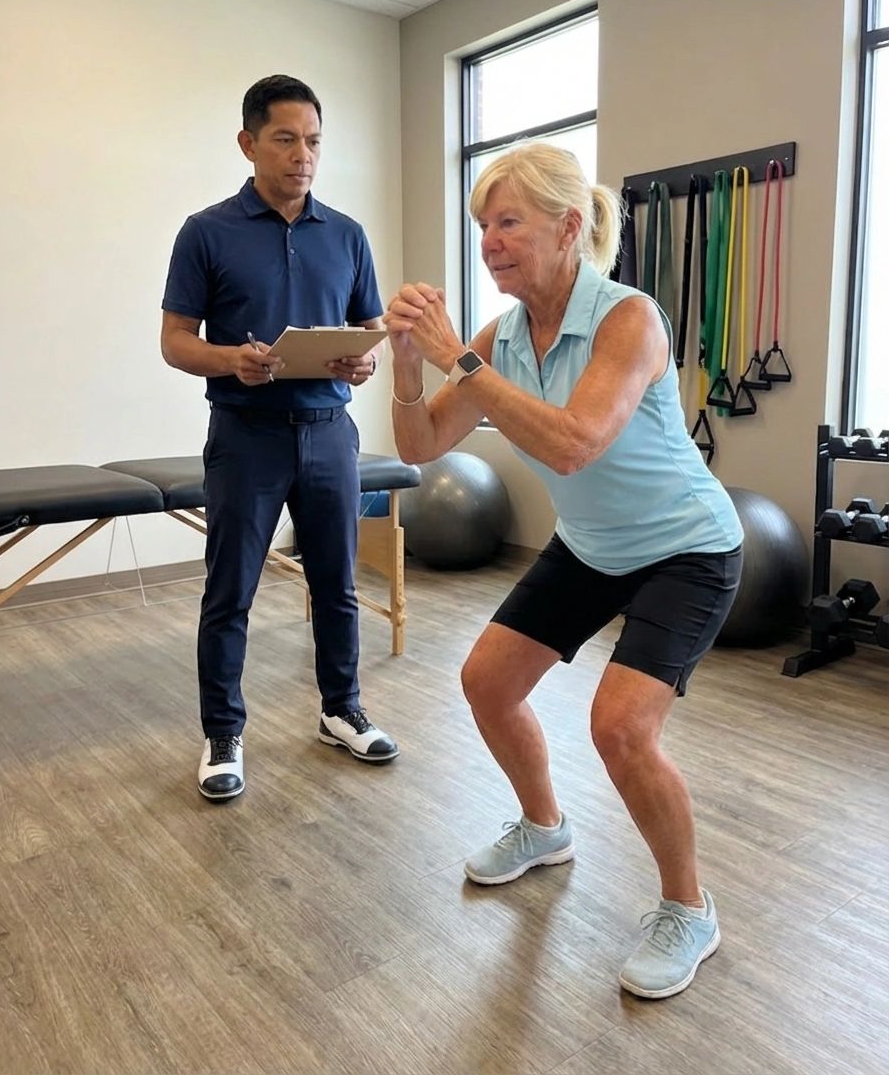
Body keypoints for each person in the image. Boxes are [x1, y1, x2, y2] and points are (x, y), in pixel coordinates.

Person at [383, 142, 742, 999]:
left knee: (620, 728)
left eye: (507, 222)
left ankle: (689, 908)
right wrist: (404, 360)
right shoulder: (503, 334)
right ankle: (545, 826)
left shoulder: (629, 319)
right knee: (486, 683)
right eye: (482, 226)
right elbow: (421, 444)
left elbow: (576, 444)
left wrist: (457, 363)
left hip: (687, 549)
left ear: (569, 226)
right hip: (592, 546)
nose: (489, 241)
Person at [161, 74, 399, 801]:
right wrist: (231, 359)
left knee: (337, 586)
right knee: (230, 590)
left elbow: (368, 330)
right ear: (249, 143)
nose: (304, 156)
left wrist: (365, 360)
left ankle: (340, 709)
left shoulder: (348, 235)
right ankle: (223, 732)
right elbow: (175, 341)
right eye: (287, 139)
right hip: (246, 434)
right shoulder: (207, 232)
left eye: (315, 141)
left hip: (331, 433)